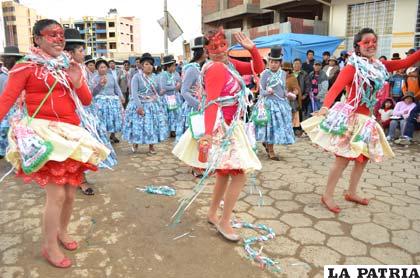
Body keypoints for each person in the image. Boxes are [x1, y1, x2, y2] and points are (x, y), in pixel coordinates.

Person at [0, 19, 110, 268]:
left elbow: (87, 100)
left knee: (71, 193)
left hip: (70, 135)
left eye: (61, 35)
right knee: (57, 194)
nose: (59, 39)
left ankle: (61, 231)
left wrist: (77, 80)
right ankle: (49, 246)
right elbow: (6, 100)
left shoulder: (68, 66)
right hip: (44, 133)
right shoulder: (25, 67)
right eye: (52, 35)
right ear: (37, 39)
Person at [301, 27, 420, 213]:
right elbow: (336, 88)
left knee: (362, 159)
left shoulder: (380, 66)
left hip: (367, 120)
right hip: (351, 118)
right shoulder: (352, 67)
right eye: (366, 42)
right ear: (358, 45)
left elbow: (407, 61)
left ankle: (351, 192)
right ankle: (327, 195)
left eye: (374, 41)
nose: (371, 45)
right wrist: (325, 107)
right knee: (342, 160)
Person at [173, 29, 264, 241]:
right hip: (222, 127)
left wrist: (252, 49)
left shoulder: (228, 63)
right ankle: (224, 221)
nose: (220, 51)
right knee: (239, 174)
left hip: (232, 124)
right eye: (214, 48)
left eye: (223, 46)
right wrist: (206, 135)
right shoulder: (214, 68)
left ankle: (213, 213)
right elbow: (212, 103)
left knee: (224, 174)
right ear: (207, 50)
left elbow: (258, 69)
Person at [64, 28, 117, 196]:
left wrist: (99, 86)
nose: (84, 53)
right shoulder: (61, 70)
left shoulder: (83, 70)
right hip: (71, 115)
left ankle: (79, 177)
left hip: (86, 113)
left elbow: (88, 96)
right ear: (70, 52)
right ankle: (79, 179)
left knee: (84, 147)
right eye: (81, 50)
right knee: (74, 146)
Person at [123, 53, 168, 154]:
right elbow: (134, 93)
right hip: (139, 103)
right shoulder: (136, 77)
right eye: (147, 64)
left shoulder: (155, 77)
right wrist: (139, 107)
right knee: (138, 125)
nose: (149, 66)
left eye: (151, 64)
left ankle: (151, 146)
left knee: (152, 125)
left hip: (152, 105)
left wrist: (162, 92)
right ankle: (136, 143)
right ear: (142, 66)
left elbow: (157, 91)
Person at [255, 46, 295, 160]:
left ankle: (268, 144)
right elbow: (261, 91)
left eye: (276, 62)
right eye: (271, 62)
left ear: (280, 63)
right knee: (270, 127)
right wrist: (267, 91)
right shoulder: (265, 74)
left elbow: (282, 89)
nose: (273, 64)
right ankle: (271, 151)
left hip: (280, 104)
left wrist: (287, 94)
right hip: (268, 104)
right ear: (269, 62)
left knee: (276, 128)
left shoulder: (283, 74)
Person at [176, 36, 207, 141]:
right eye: (206, 49)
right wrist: (198, 105)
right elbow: (184, 91)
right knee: (193, 137)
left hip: (202, 104)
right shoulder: (192, 69)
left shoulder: (202, 67)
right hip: (194, 107)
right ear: (201, 51)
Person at [91, 59, 125, 143]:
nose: (103, 69)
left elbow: (116, 87)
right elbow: (93, 92)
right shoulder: (94, 78)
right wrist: (100, 85)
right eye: (101, 67)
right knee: (103, 119)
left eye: (104, 67)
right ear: (97, 69)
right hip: (100, 102)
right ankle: (103, 136)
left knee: (114, 118)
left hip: (112, 101)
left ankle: (113, 135)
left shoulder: (111, 76)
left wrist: (121, 96)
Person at [0, 46, 23, 159]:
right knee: (6, 133)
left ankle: (16, 158)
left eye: (11, 58)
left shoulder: (21, 74)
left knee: (16, 135)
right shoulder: (3, 76)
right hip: (7, 111)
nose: (8, 61)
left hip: (18, 110)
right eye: (7, 58)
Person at [160, 54, 182, 137]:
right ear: (167, 67)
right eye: (172, 66)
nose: (174, 68)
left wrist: (179, 84)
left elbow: (180, 82)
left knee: (177, 113)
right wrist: (174, 87)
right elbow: (163, 86)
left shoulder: (176, 74)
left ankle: (175, 128)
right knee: (171, 114)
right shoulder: (164, 75)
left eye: (174, 66)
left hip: (176, 96)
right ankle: (171, 130)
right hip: (169, 97)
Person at [292, 58, 311, 126]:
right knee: (292, 111)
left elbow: (308, 86)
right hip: (291, 96)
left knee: (300, 112)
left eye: (298, 64)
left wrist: (305, 95)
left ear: (301, 65)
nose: (297, 65)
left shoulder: (304, 74)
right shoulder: (290, 73)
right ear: (293, 65)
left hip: (301, 96)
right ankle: (292, 127)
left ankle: (299, 127)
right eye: (295, 64)